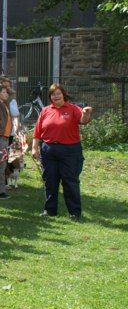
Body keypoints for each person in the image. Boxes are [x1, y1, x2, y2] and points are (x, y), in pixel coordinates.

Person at [31, 83, 92, 220]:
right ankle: (50, 210)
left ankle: (75, 212)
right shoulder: (45, 110)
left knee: (70, 181)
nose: (56, 96)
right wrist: (34, 148)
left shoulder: (73, 109)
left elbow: (83, 121)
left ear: (63, 94)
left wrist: (86, 113)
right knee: (50, 181)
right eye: (53, 94)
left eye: (58, 93)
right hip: (48, 151)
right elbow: (37, 132)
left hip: (70, 151)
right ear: (50, 97)